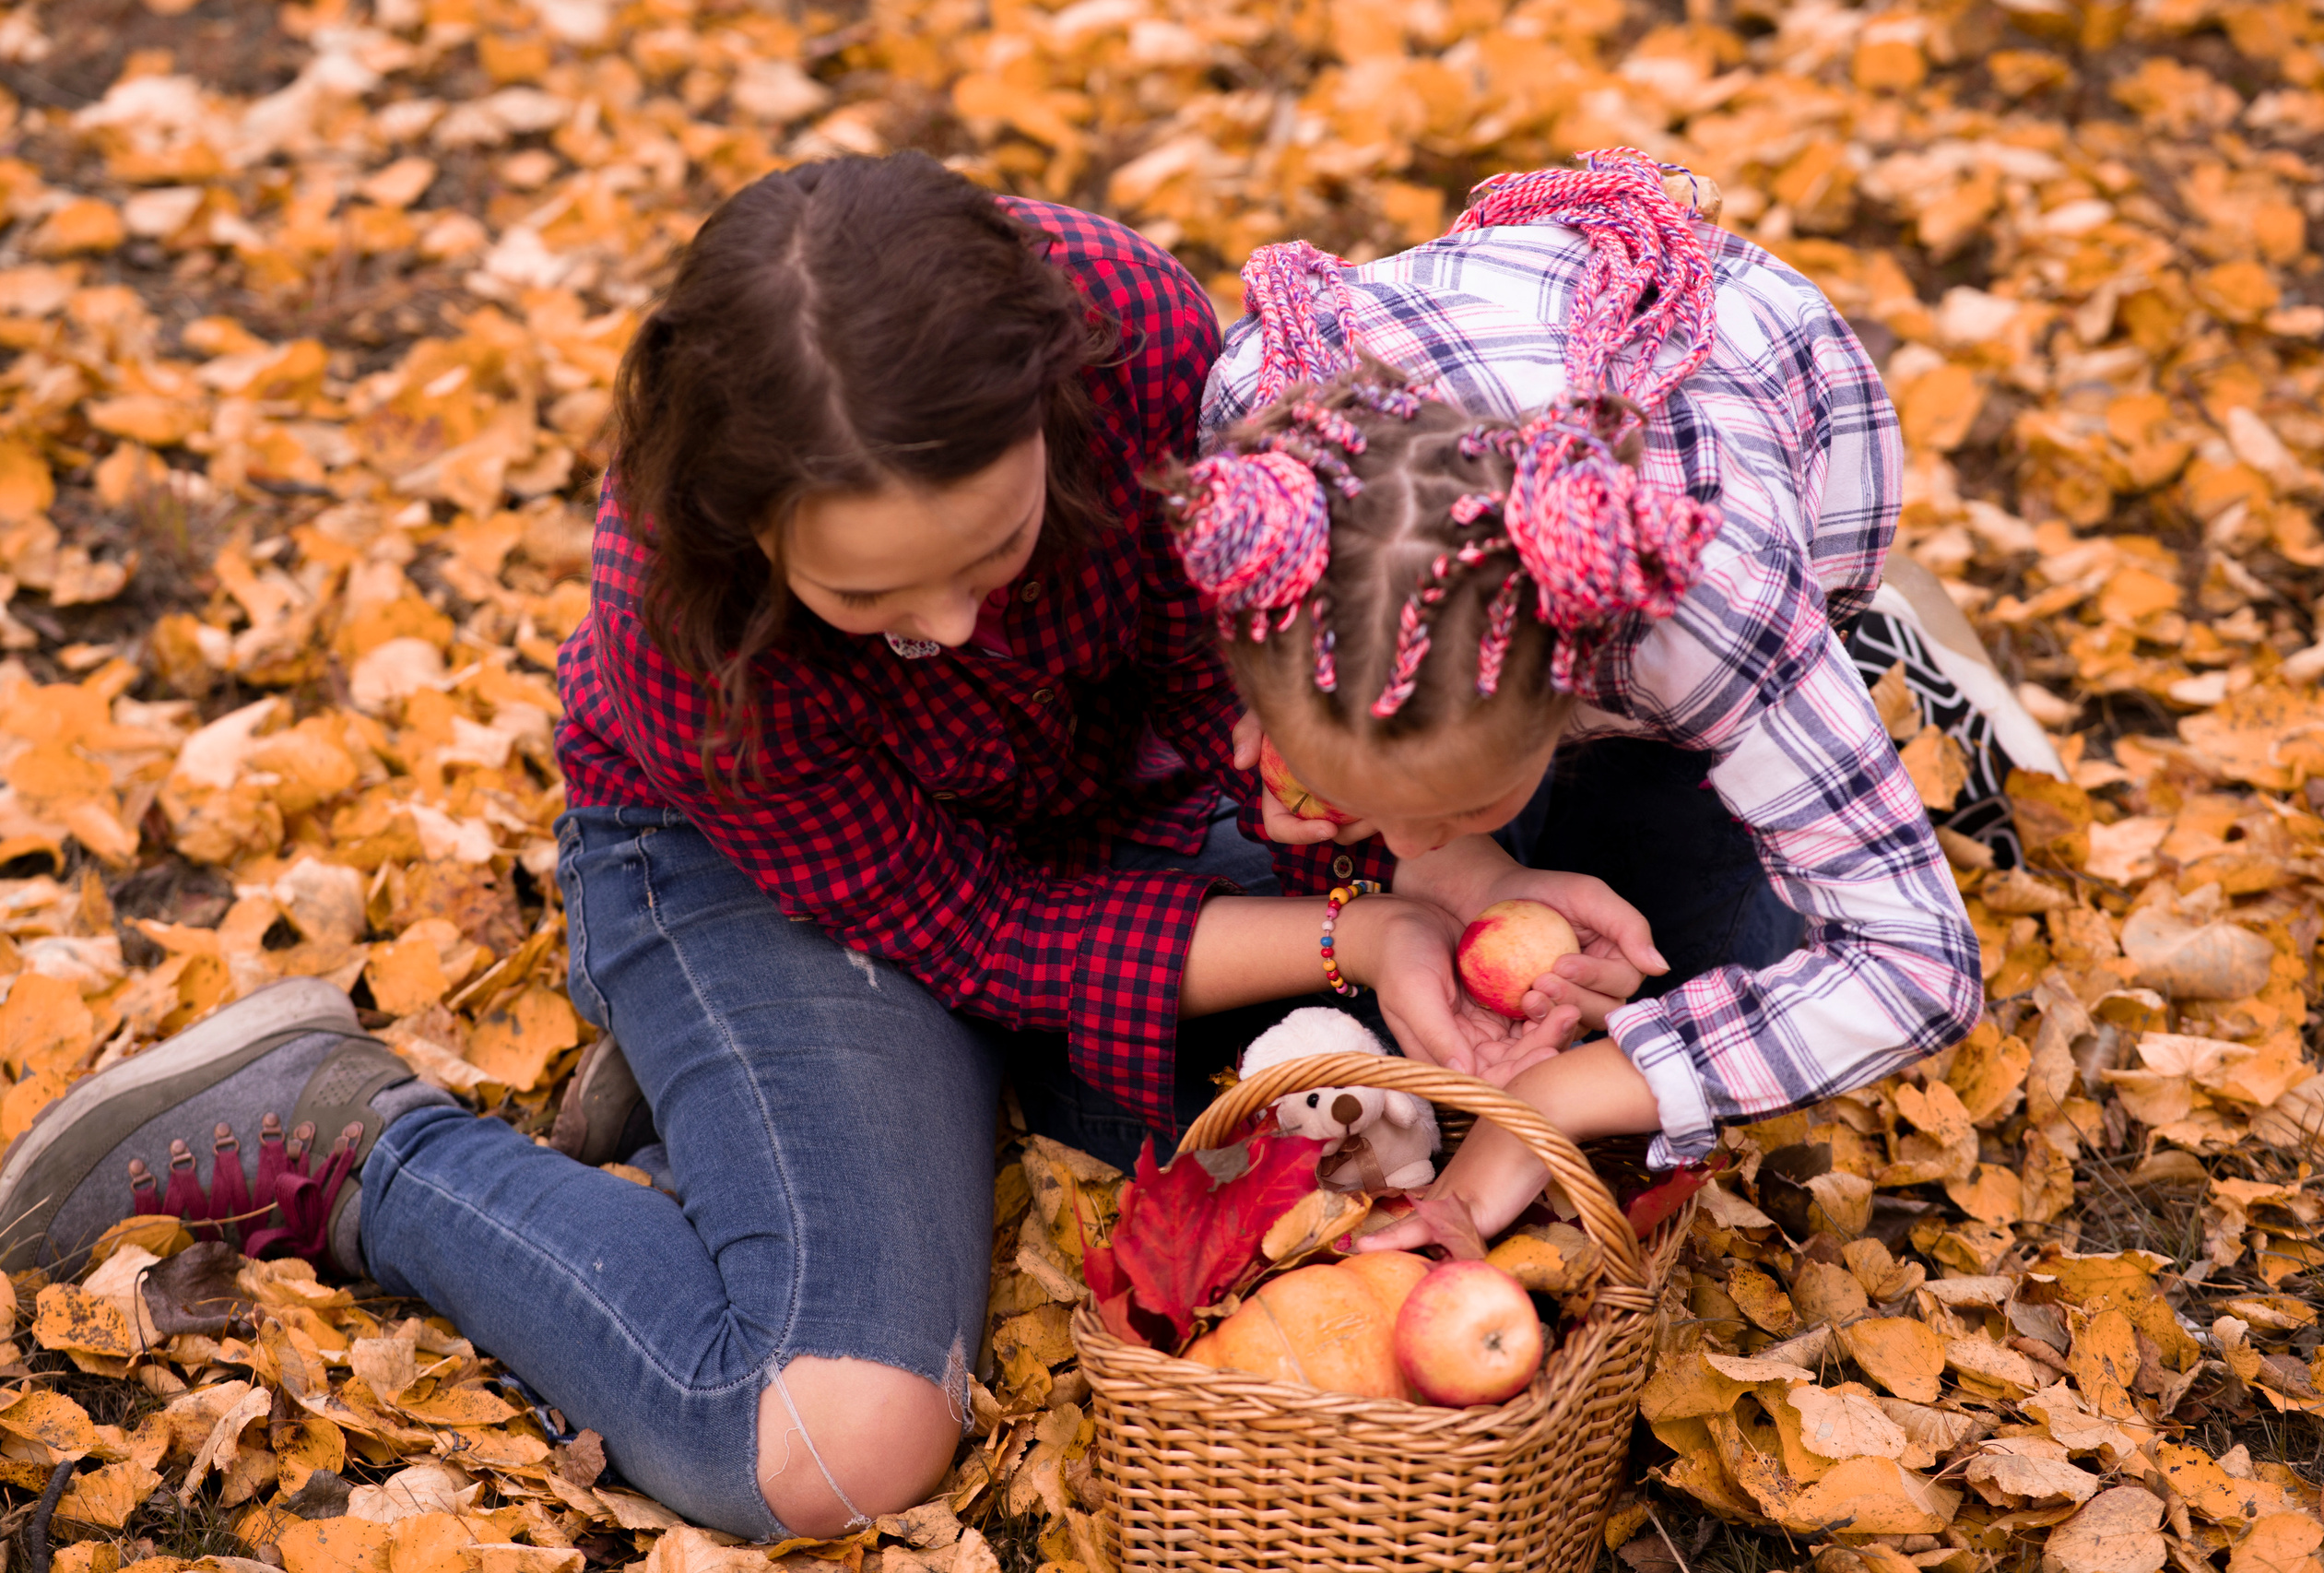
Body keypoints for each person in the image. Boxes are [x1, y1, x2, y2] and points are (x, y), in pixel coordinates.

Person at [0, 154, 1655, 1541]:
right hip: (786, 876)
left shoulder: (1136, 340)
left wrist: (1427, 871)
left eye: (997, 549)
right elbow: (979, 920)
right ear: (746, 533)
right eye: (868, 597)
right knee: (823, 1438)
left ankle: (742, 1122)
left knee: (1353, 1111)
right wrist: (1355, 934)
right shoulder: (688, 623)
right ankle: (363, 1146)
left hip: (1100, 807)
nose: (946, 624)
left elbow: (1251, 661)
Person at [1159, 152, 1987, 1251]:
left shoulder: (1702, 608)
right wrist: (1442, 851)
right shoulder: (1264, 472)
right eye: (1367, 794)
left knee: (1716, 955)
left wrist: (1561, 1098)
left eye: (1447, 805)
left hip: (1745, 421)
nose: (1398, 842)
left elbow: (1914, 967)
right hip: (1479, 371)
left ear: (1574, 681)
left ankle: (1884, 667)